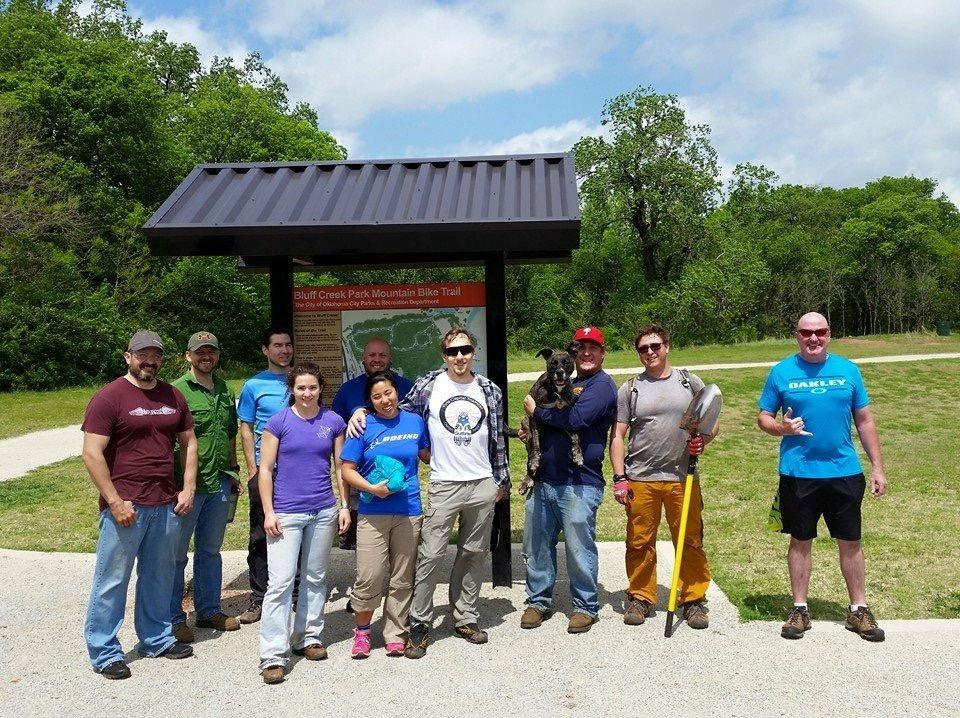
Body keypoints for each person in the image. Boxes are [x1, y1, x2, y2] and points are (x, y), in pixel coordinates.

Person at [350, 327, 510, 658]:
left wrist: (501, 478)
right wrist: (362, 410)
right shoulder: (429, 385)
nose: (459, 357)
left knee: (473, 553)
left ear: (474, 352)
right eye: (452, 352)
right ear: (444, 355)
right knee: (431, 555)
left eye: (465, 350)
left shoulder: (489, 389)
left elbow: (496, 437)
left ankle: (465, 617)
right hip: (444, 483)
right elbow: (392, 408)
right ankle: (420, 623)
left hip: (482, 482)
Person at [757, 312, 887, 642]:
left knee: (851, 542)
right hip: (798, 473)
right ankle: (799, 609)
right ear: (796, 335)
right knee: (800, 541)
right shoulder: (781, 372)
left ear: (829, 334)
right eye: (806, 332)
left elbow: (865, 421)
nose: (813, 338)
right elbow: (763, 418)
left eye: (820, 332)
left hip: (844, 471)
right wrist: (780, 428)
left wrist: (877, 467)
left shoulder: (848, 370)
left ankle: (858, 610)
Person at [81, 330, 198, 680]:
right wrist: (115, 501)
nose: (150, 361)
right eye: (142, 354)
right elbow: (91, 453)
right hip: (126, 506)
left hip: (165, 503)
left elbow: (189, 442)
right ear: (128, 356)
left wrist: (188, 487)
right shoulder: (109, 397)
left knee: (158, 576)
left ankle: (156, 639)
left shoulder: (172, 395)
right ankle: (104, 651)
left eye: (156, 355)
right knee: (111, 580)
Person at [609, 324, 716, 630]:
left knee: (690, 539)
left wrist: (703, 440)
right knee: (640, 541)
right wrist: (620, 477)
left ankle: (693, 599)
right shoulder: (630, 389)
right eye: (644, 348)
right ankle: (641, 596)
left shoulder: (688, 381)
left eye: (655, 346)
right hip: (641, 477)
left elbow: (710, 422)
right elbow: (617, 435)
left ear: (667, 346)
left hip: (683, 477)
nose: (650, 353)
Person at [520, 326, 617, 634]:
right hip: (544, 479)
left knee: (578, 548)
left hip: (579, 481)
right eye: (581, 348)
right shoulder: (565, 384)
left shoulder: (601, 386)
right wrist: (529, 431)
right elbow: (547, 424)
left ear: (602, 353)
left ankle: (585, 607)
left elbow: (573, 420)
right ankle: (538, 601)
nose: (586, 353)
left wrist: (535, 411)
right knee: (536, 545)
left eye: (593, 348)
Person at [257, 363, 351, 684]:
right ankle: (273, 653)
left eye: (312, 388)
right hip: (286, 512)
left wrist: (344, 506)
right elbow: (266, 469)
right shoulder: (278, 422)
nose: (307, 393)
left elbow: (340, 467)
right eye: (301, 388)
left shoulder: (333, 421)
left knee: (315, 577)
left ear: (320, 388)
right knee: (281, 582)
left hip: (323, 509)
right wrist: (268, 512)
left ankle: (308, 637)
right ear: (292, 390)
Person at [340, 371, 430, 658]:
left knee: (403, 577)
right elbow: (346, 470)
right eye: (377, 396)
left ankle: (395, 633)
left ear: (397, 393)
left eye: (388, 393)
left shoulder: (415, 422)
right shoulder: (363, 426)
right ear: (370, 400)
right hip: (372, 513)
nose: (384, 400)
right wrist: (371, 488)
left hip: (409, 510)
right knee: (370, 575)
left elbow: (429, 456)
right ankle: (362, 633)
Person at [168, 331, 243, 643]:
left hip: (218, 481)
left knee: (210, 550)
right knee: (176, 554)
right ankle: (172, 618)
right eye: (200, 352)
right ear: (189, 356)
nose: (206, 357)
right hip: (188, 485)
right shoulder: (175, 391)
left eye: (211, 352)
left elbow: (228, 432)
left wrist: (234, 469)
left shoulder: (224, 388)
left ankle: (208, 610)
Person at [332, 338, 414, 550]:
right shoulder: (347, 390)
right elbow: (336, 432)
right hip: (359, 477)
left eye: (382, 355)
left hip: (400, 480)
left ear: (390, 358)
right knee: (363, 543)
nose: (377, 360)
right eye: (371, 355)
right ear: (363, 358)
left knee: (401, 545)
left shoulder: (407, 387)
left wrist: (365, 411)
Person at [237, 328, 294, 624]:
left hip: (297, 473)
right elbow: (246, 427)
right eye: (277, 346)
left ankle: (294, 596)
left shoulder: (302, 381)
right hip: (264, 472)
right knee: (260, 535)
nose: (284, 350)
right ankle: (259, 598)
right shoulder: (254, 385)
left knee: (295, 532)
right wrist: (252, 468)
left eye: (287, 345)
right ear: (265, 350)